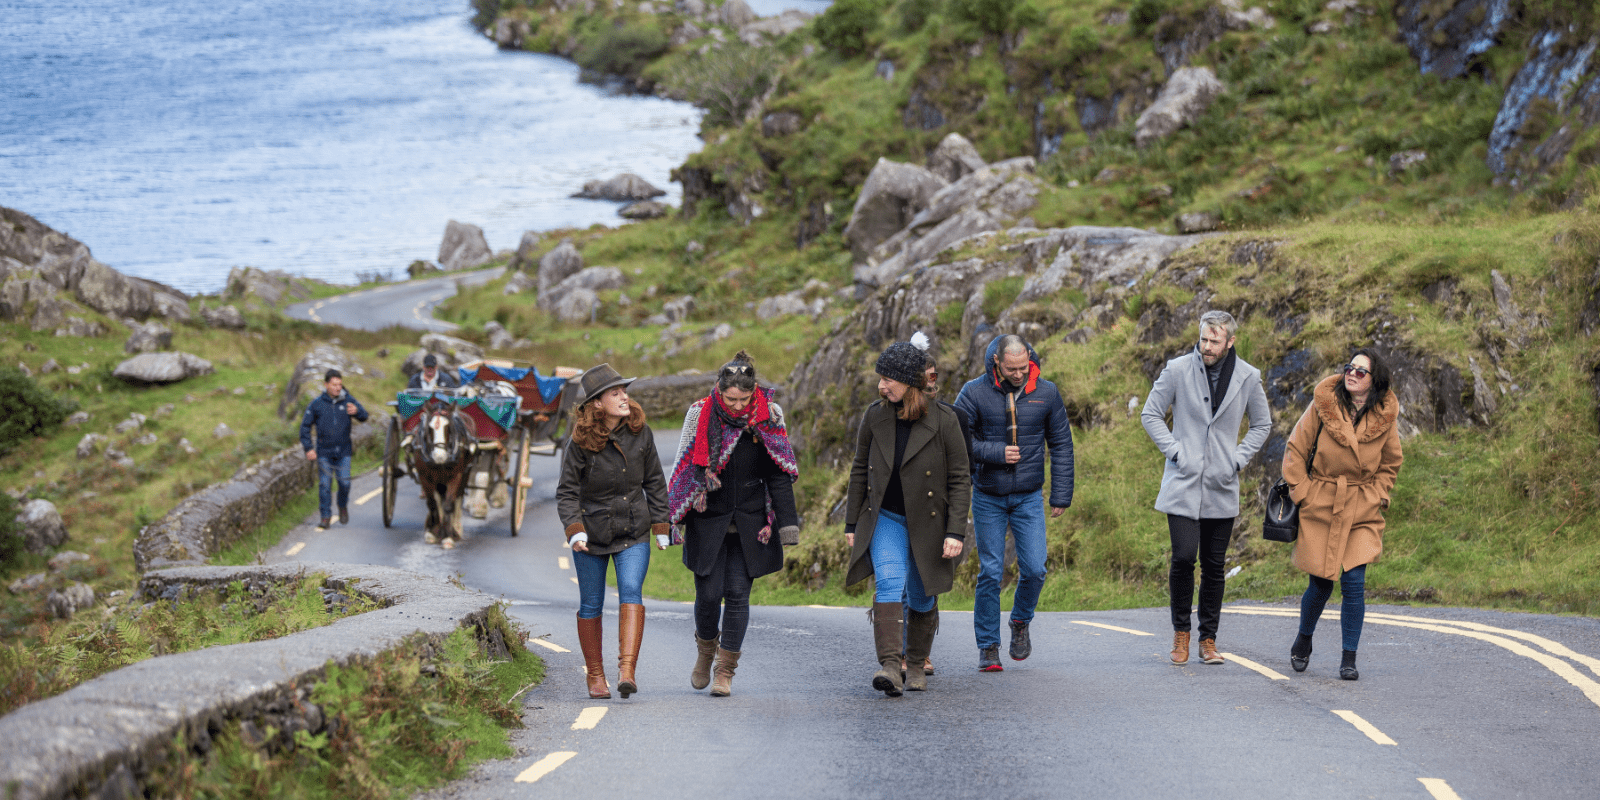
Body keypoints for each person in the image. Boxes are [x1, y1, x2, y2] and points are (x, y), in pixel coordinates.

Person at [1140, 310, 1272, 666]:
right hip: (1182, 481)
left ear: (1230, 341)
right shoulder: (1178, 368)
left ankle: (1208, 640)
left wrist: (1237, 458)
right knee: (1184, 557)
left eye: (1215, 340)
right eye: (1204, 339)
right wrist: (1175, 450)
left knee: (1214, 565)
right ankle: (1181, 634)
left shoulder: (1248, 377)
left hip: (1222, 483)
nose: (1207, 346)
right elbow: (1150, 413)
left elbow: (1262, 424)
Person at [668, 351, 800, 698]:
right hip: (708, 519)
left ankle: (725, 671)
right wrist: (672, 518)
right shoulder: (700, 414)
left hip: (751, 522)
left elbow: (779, 470)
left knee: (738, 595)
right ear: (719, 390)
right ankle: (705, 651)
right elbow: (684, 469)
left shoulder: (769, 415)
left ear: (754, 390)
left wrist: (788, 523)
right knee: (709, 596)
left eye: (744, 399)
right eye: (731, 399)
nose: (739, 406)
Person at [844, 339, 971, 696]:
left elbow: (961, 478)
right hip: (885, 517)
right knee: (888, 582)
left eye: (888, 379)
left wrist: (955, 531)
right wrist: (852, 523)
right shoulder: (874, 415)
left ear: (910, 382)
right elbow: (859, 470)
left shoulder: (946, 420)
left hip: (929, 523)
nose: (881, 385)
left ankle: (915, 663)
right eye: (880, 378)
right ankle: (889, 664)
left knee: (920, 594)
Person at [953, 334, 1074, 671]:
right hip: (988, 495)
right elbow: (958, 442)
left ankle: (1020, 622)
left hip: (1029, 496)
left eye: (1024, 367)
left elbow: (1062, 443)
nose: (1019, 374)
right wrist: (995, 453)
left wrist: (1061, 494)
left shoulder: (1046, 392)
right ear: (997, 363)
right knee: (991, 572)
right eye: (1012, 369)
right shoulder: (973, 392)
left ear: (1030, 359)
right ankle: (988, 647)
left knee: (1035, 569)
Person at [1281, 349, 1403, 681]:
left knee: (1354, 582)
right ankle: (1304, 638)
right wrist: (1303, 492)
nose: (1352, 374)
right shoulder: (1324, 405)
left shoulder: (1384, 416)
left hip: (1362, 505)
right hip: (1322, 501)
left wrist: (1378, 494)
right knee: (1320, 582)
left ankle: (1349, 658)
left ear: (1374, 381)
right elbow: (1295, 449)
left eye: (1361, 372)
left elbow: (1391, 461)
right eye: (1349, 368)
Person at [555, 364, 670, 700]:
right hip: (591, 534)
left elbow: (654, 482)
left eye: (625, 391)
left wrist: (661, 526)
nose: (624, 397)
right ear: (597, 404)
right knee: (591, 603)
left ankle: (627, 671)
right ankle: (595, 676)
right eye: (615, 393)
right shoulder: (579, 443)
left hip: (634, 529)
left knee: (631, 589)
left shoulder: (640, 431)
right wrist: (574, 530)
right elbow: (566, 492)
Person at [299, 369, 369, 530]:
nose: (338, 388)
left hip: (344, 451)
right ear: (326, 385)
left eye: (340, 384)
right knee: (325, 485)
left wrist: (357, 411)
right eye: (334, 385)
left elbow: (364, 416)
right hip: (324, 452)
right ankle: (325, 517)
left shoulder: (348, 400)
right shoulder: (316, 404)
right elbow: (305, 427)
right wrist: (309, 448)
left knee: (344, 483)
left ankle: (342, 505)